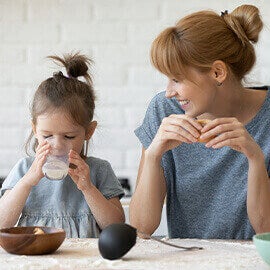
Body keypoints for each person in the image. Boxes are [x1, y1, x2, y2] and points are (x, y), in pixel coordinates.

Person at [130, 5, 270, 239]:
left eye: (177, 79)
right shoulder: (164, 110)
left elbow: (266, 231)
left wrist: (255, 158)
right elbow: (141, 227)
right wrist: (154, 154)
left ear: (217, 72)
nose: (169, 92)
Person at [0, 53, 125, 238]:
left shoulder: (99, 170)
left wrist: (88, 188)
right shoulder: (25, 169)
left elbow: (116, 227)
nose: (57, 145)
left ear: (88, 132)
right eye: (47, 135)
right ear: (35, 129)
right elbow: (2, 224)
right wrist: (27, 182)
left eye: (68, 136)